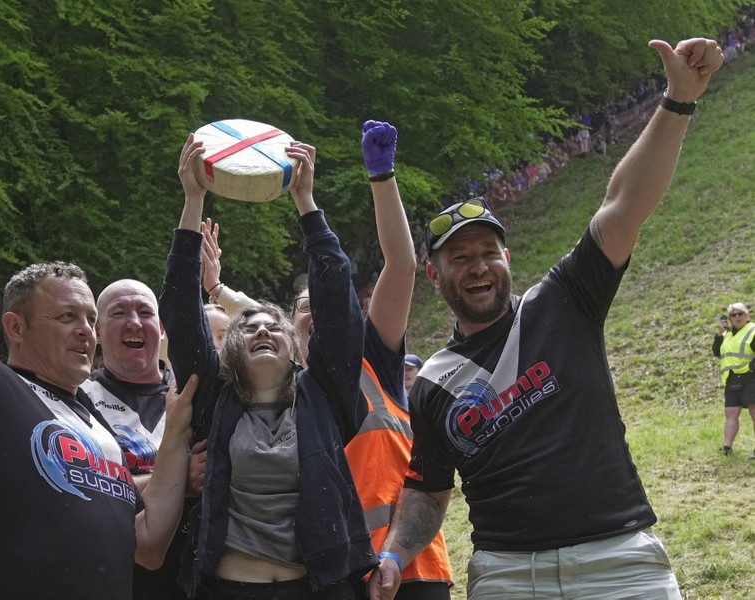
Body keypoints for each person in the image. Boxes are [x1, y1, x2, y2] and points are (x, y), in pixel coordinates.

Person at [368, 37, 724, 599]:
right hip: (509, 577)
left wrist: (678, 102)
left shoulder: (562, 301)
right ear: (434, 279)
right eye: (459, 258)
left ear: (507, 259)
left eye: (488, 252)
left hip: (620, 562)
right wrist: (394, 551)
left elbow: (623, 203)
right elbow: (427, 490)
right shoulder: (432, 380)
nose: (477, 266)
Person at [0, 95, 192, 599]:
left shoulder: (97, 423)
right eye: (67, 317)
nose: (87, 331)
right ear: (16, 328)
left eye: (91, 318)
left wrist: (177, 430)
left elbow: (149, 543)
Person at [200, 121, 452, 598]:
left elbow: (400, 264)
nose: (317, 313)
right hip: (335, 573)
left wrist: (382, 177)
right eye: (302, 311)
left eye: (328, 306)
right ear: (291, 335)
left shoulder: (372, 358)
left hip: (413, 565)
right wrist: (216, 290)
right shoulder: (285, 395)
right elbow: (259, 321)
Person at [161, 134, 375, 598]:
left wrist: (306, 201)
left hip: (318, 587)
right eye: (249, 326)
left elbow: (337, 296)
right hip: (231, 588)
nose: (261, 330)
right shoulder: (214, 401)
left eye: (274, 326)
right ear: (230, 348)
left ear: (297, 347)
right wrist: (193, 200)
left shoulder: (323, 394)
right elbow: (180, 308)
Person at [80, 278, 206, 600]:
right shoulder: (77, 401)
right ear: (96, 330)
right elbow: (90, 489)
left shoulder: (194, 397)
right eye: (119, 312)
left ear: (161, 328)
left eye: (145, 312)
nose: (134, 321)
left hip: (200, 579)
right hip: (123, 581)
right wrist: (178, 477)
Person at [712, 302, 755, 457]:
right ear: (729, 318)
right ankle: (727, 448)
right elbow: (717, 352)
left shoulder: (752, 330)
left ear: (746, 315)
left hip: (750, 377)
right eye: (733, 315)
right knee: (731, 412)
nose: (737, 317)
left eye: (740, 313)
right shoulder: (727, 333)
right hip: (731, 378)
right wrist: (719, 333)